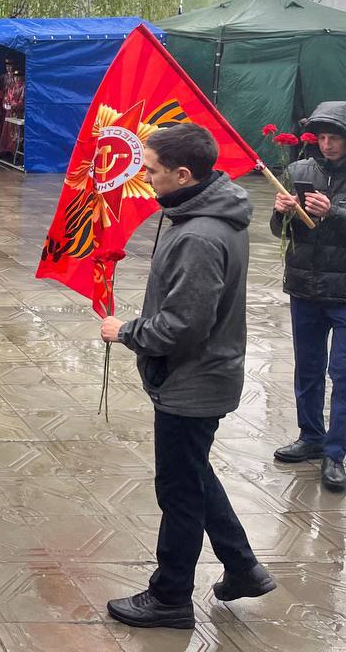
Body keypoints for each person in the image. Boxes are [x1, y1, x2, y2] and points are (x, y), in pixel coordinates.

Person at [99, 124, 272, 629]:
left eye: (151, 170)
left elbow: (183, 325)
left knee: (178, 491)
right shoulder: (204, 212)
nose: (144, 177)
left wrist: (127, 331)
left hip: (192, 380)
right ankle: (242, 567)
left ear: (183, 173)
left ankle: (170, 596)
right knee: (193, 471)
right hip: (203, 374)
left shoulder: (199, 233)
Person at [270, 101, 346, 493]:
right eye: (323, 137)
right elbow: (277, 229)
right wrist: (282, 210)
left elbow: (334, 216)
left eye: (336, 137)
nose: (328, 144)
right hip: (305, 286)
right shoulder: (299, 170)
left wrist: (333, 211)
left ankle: (336, 453)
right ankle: (311, 436)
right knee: (308, 367)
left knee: (343, 374)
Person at [0, 62, 25, 159]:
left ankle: (17, 154)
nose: (17, 78)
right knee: (8, 134)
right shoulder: (11, 87)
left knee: (17, 134)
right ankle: (7, 151)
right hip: (9, 113)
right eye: (15, 76)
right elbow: (6, 98)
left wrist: (13, 106)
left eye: (19, 76)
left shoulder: (23, 87)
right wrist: (6, 105)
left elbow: (22, 101)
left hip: (18, 114)